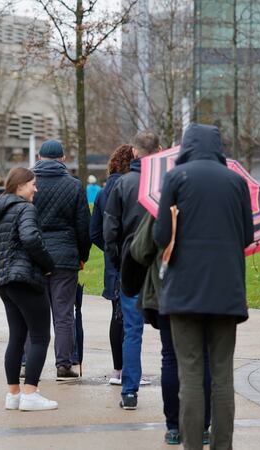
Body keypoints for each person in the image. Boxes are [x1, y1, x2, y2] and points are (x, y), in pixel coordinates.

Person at [153, 124, 253, 450]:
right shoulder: (237, 181)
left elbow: (161, 236)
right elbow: (248, 237)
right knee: (223, 374)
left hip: (184, 290)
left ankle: (192, 445)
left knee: (190, 374)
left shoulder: (176, 178)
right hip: (227, 290)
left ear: (187, 145)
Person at [128, 212, 212, 446]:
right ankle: (202, 427)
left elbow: (140, 250)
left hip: (167, 291)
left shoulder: (164, 202)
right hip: (205, 291)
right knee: (203, 357)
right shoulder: (214, 201)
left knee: (171, 358)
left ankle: (174, 427)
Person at [0, 167, 56, 411]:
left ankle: (14, 394)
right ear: (20, 186)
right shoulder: (26, 208)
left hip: (6, 281)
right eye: (32, 184)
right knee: (40, 336)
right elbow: (30, 239)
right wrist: (48, 264)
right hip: (26, 279)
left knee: (16, 337)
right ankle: (30, 393)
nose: (35, 189)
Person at [103, 130, 161, 410]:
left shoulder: (123, 184)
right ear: (159, 150)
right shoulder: (167, 183)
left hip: (131, 263)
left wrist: (116, 261)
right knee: (170, 330)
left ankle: (129, 390)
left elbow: (110, 229)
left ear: (135, 152)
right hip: (162, 264)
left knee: (132, 330)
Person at [31, 140, 91, 379]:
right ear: (63, 158)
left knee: (33, 312)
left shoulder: (29, 183)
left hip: (34, 252)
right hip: (65, 255)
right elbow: (83, 226)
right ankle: (64, 364)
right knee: (64, 313)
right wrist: (82, 255)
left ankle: (27, 361)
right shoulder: (74, 186)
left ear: (39, 156)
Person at [90, 144, 134, 385]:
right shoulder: (133, 187)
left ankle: (118, 369)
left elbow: (94, 231)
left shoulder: (103, 192)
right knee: (130, 319)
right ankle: (128, 369)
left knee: (116, 316)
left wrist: (110, 251)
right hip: (131, 259)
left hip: (113, 262)